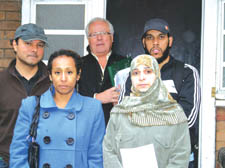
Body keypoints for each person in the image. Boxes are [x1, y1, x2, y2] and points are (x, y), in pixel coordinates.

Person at [115, 18, 201, 168]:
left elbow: (188, 118)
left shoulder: (186, 72)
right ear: (143, 43)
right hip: (139, 155)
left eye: (161, 37)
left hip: (175, 158)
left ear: (170, 41)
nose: (155, 42)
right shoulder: (133, 75)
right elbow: (124, 113)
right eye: (150, 37)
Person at [10, 49, 105, 168]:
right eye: (57, 72)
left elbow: (96, 156)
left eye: (69, 72)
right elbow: (18, 154)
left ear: (78, 75)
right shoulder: (30, 105)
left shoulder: (93, 108)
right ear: (50, 75)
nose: (63, 78)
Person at [103, 54, 191, 168]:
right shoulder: (119, 113)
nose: (141, 77)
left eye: (148, 71)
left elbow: (180, 156)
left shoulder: (174, 112)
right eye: (135, 73)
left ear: (157, 75)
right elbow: (109, 150)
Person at [0, 23, 50, 168]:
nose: (34, 49)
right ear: (14, 44)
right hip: (6, 161)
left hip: (46, 161)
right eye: (28, 43)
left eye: (40, 45)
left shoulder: (54, 82)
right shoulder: (1, 82)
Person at [78, 17, 124, 125]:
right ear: (88, 40)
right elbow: (69, 97)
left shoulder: (126, 64)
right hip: (85, 126)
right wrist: (96, 98)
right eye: (94, 34)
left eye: (103, 33)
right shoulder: (77, 65)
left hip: (118, 128)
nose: (99, 38)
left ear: (112, 37)